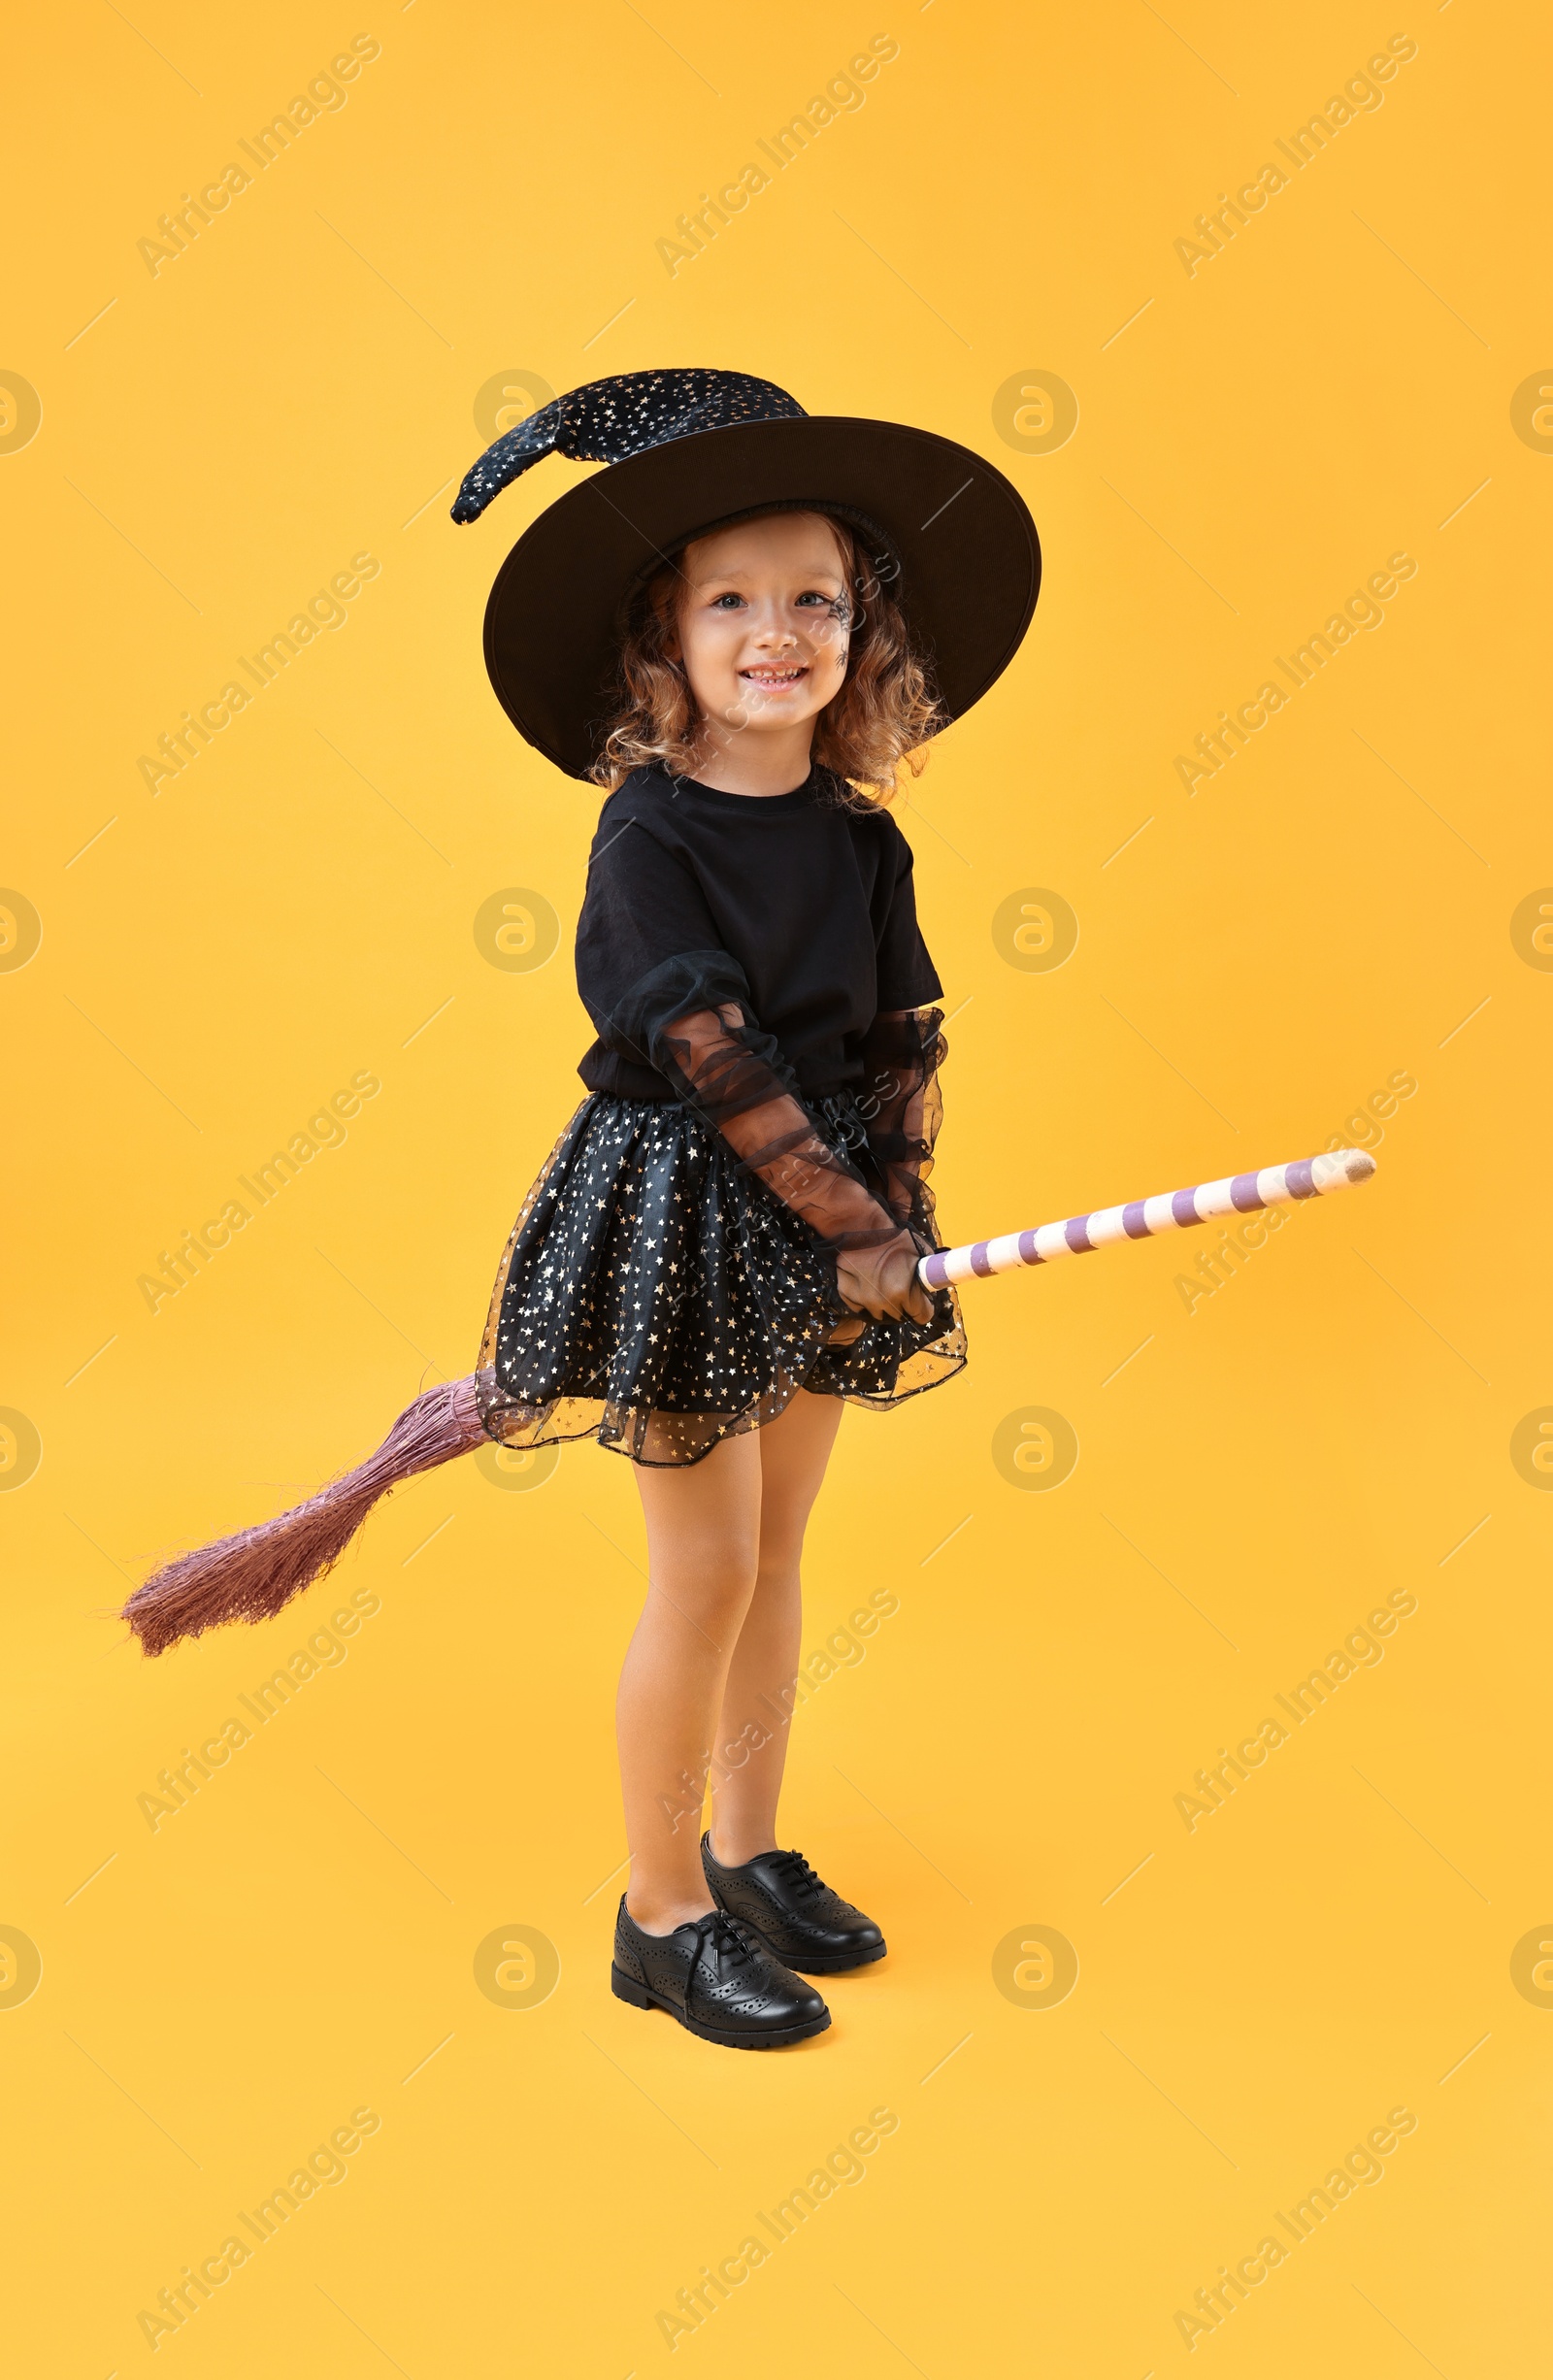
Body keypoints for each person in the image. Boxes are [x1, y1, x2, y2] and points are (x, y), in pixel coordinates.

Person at [122, 369, 1040, 2053]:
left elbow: (902, 1034)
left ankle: (751, 1855)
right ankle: (660, 1909)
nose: (783, 632)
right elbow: (709, 1050)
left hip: (838, 1213)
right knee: (699, 1575)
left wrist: (898, 1202)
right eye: (735, 601)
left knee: (780, 1558)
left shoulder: (859, 836)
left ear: (864, 630)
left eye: (818, 598)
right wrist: (847, 1222)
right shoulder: (648, 837)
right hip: (693, 1214)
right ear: (662, 641)